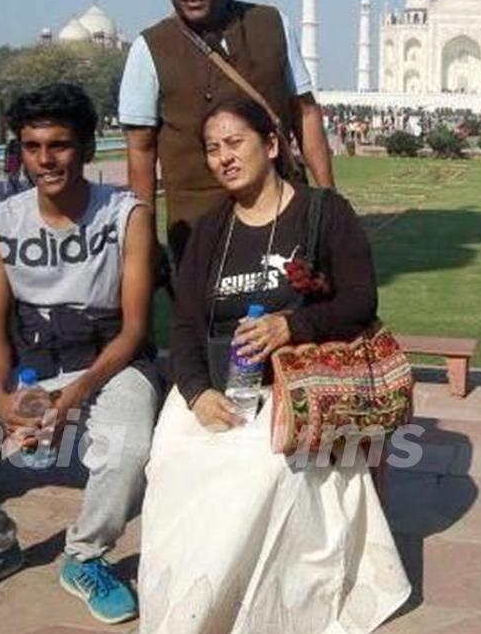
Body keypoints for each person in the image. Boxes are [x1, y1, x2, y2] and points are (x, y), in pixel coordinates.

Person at [138, 97, 410, 634]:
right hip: (220, 385)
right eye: (212, 149)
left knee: (256, 473)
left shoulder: (323, 213)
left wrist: (293, 325)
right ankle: (189, 613)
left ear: (271, 144)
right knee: (170, 465)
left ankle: (254, 614)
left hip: (294, 391)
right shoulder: (212, 230)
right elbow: (188, 322)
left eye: (234, 143)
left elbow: (361, 299)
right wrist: (194, 392)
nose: (223, 158)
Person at [0, 83, 159, 624]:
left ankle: (86, 555)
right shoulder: (2, 222)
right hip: (30, 357)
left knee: (128, 448)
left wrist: (75, 394)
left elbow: (134, 328)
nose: (45, 160)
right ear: (19, 151)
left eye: (60, 145)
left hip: (106, 356)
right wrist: (4, 399)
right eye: (32, 146)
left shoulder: (126, 215)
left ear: (88, 149)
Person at [119, 0, 335, 266]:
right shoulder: (150, 48)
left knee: (295, 314)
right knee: (210, 320)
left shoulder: (271, 25)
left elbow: (305, 113)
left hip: (282, 212)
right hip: (201, 227)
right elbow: (140, 151)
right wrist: (144, 237)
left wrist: (327, 201)